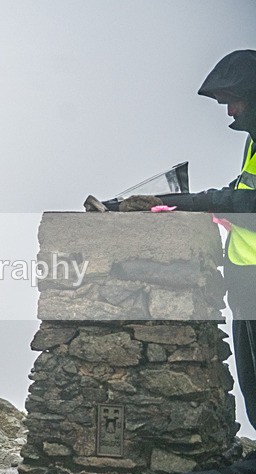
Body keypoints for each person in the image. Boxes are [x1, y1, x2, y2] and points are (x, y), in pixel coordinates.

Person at [110, 50, 256, 431]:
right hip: (244, 279)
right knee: (251, 379)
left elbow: (248, 203)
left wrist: (192, 201)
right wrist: (188, 202)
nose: (230, 112)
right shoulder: (252, 144)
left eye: (233, 101)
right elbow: (239, 191)